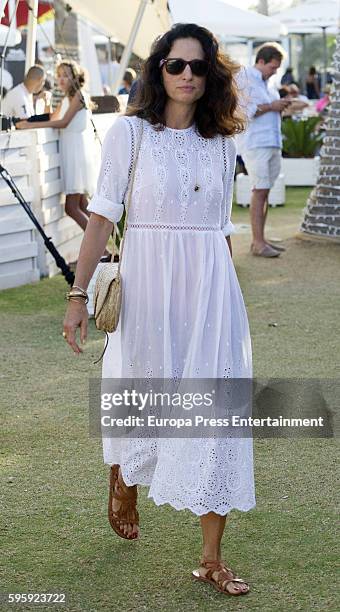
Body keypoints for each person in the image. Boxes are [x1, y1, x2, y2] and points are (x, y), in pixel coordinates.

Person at [62, 23, 255, 597]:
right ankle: (124, 472)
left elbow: (220, 230)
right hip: (147, 286)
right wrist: (78, 294)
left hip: (210, 291)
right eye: (177, 65)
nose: (188, 76)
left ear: (212, 75)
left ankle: (211, 558)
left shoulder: (223, 144)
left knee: (216, 418)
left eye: (199, 67)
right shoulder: (131, 135)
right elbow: (101, 217)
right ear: (159, 70)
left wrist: (223, 300)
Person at [16, 60, 108, 258]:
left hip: (76, 152)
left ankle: (102, 250)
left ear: (75, 77)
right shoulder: (67, 96)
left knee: (71, 207)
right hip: (71, 151)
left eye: (66, 75)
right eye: (59, 75)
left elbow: (63, 122)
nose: (61, 79)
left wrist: (29, 126)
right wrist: (44, 102)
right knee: (82, 206)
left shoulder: (79, 95)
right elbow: (52, 118)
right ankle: (106, 248)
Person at [236, 43, 291, 257]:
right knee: (259, 191)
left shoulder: (269, 84)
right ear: (260, 61)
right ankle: (258, 243)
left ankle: (260, 241)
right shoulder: (245, 78)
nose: (275, 71)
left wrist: (281, 105)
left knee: (265, 190)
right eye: (272, 67)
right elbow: (243, 111)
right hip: (255, 143)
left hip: (271, 142)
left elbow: (268, 109)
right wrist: (272, 106)